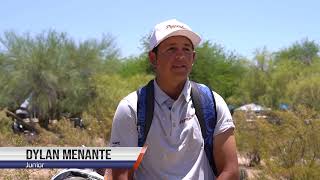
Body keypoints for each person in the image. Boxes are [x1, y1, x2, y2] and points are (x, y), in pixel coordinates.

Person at [108, 19, 239, 180]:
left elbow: (230, 171)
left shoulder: (212, 103)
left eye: (186, 49)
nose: (180, 55)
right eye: (171, 49)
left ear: (193, 57)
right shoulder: (130, 108)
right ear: (153, 58)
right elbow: (121, 175)